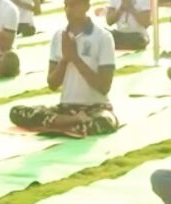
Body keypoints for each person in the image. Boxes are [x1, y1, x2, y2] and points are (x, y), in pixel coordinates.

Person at [9, 0, 118, 137]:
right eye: (66, 5)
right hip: (66, 109)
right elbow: (53, 84)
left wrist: (75, 58)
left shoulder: (103, 37)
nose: (68, 10)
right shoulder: (59, 36)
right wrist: (65, 59)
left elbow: (104, 87)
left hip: (95, 107)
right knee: (17, 112)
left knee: (105, 121)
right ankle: (73, 122)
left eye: (73, 5)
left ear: (86, 6)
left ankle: (59, 124)